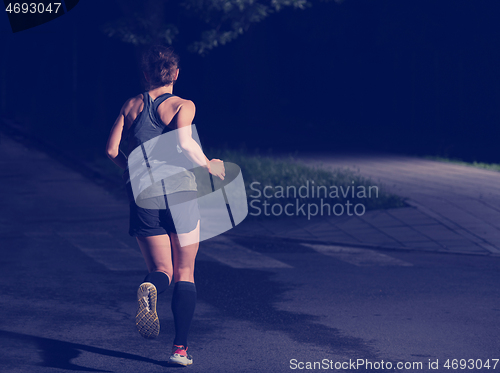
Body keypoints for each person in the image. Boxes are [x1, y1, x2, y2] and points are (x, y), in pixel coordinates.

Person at [105, 45, 224, 366]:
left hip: (143, 192)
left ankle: (151, 285)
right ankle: (179, 350)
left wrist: (135, 170)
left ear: (146, 75)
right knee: (186, 271)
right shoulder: (183, 105)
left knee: (162, 270)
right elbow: (185, 144)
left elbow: (112, 150)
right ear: (176, 75)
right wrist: (209, 164)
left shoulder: (131, 105)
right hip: (181, 192)